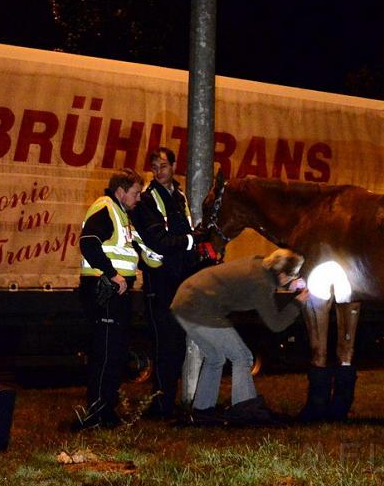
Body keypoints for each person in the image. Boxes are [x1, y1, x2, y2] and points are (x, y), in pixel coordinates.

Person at [171, 249, 309, 425]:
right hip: (201, 308)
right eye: (294, 275)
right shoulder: (262, 282)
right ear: (282, 274)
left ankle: (202, 411)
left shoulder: (257, 265)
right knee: (242, 356)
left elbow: (265, 302)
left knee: (215, 358)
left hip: (183, 302)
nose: (295, 279)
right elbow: (276, 323)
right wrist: (297, 303)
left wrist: (287, 291)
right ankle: (245, 409)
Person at [129, 147, 217, 419]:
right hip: (159, 282)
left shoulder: (179, 196)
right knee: (164, 346)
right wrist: (191, 241)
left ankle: (168, 403)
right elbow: (160, 242)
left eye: (163, 165)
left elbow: (183, 235)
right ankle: (161, 406)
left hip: (180, 280)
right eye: (154, 166)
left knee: (176, 345)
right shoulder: (147, 199)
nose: (158, 171)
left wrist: (200, 253)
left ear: (174, 166)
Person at [76, 168, 163, 430]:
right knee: (105, 352)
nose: (139, 198)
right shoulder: (105, 208)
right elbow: (89, 242)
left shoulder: (122, 214)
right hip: (106, 289)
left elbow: (144, 253)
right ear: (121, 191)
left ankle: (106, 411)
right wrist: (113, 275)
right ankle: (97, 414)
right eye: (136, 193)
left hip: (118, 290)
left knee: (114, 352)